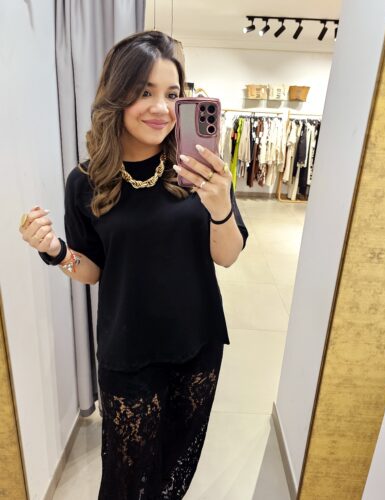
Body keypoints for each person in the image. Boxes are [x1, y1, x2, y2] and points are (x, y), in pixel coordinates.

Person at [19, 30, 248, 499]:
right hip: (128, 350)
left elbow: (227, 255)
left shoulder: (200, 170)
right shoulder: (86, 181)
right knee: (125, 480)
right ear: (118, 95)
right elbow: (93, 269)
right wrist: (56, 252)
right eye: (145, 91)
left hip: (197, 343)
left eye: (172, 93)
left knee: (171, 473)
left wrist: (221, 205)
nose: (161, 108)